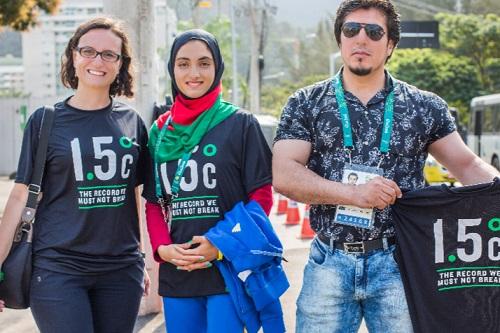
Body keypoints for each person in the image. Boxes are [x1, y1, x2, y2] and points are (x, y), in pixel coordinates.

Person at [272, 0, 500, 332]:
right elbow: (285, 174)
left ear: (390, 44)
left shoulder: (424, 106)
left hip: (401, 261)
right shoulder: (305, 103)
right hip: (329, 261)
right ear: (340, 39)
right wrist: (354, 194)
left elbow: (467, 164)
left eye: (374, 32)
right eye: (351, 30)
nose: (361, 39)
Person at [0, 17, 150, 332]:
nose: (98, 60)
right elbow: (18, 196)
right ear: (73, 55)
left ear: (121, 64)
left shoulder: (132, 122)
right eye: (89, 51)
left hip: (121, 271)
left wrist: (140, 257)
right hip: (58, 268)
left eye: (110, 54)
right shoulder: (45, 121)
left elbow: (133, 195)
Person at [143, 29, 274, 333]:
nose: (194, 73)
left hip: (228, 270)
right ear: (172, 69)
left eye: (204, 63)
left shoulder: (240, 123)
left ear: (217, 68)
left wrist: (219, 245)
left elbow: (262, 197)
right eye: (183, 63)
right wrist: (163, 249)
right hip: (178, 273)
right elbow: (154, 202)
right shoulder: (160, 131)